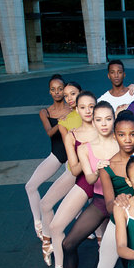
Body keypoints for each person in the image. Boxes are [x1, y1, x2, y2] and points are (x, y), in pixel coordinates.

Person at [60, 102, 118, 268]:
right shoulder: (85, 148)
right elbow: (91, 178)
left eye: (108, 119)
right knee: (68, 243)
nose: (104, 124)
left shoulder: (122, 141)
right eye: (99, 119)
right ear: (93, 121)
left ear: (114, 119)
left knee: (126, 251)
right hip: (101, 201)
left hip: (121, 203)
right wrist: (99, 167)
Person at [48, 91, 98, 268]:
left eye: (91, 106)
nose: (87, 111)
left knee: (105, 237)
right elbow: (75, 169)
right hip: (86, 181)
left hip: (105, 184)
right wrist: (87, 157)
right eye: (83, 107)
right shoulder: (72, 135)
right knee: (55, 226)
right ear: (76, 109)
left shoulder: (105, 126)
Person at [39, 82, 83, 251]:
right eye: (66, 96)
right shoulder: (65, 121)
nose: (69, 98)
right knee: (46, 204)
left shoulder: (92, 111)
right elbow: (69, 151)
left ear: (81, 92)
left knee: (102, 218)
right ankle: (47, 240)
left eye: (73, 94)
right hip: (75, 171)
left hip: (94, 171)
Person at [25, 74, 69, 240]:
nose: (57, 92)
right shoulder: (45, 112)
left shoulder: (72, 108)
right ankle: (38, 223)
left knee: (77, 191)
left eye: (60, 89)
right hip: (56, 154)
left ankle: (88, 229)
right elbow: (50, 133)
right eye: (53, 89)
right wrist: (62, 122)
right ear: (49, 91)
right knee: (30, 186)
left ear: (64, 90)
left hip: (72, 156)